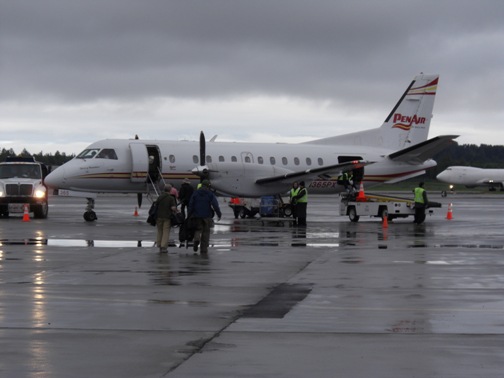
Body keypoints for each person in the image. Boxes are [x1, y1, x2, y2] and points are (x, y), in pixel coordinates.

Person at [188, 180, 222, 254]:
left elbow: (191, 204)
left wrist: (189, 214)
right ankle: (203, 249)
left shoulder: (195, 193)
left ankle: (196, 239)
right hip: (207, 216)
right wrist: (219, 214)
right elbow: (215, 205)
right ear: (208, 186)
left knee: (197, 229)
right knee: (206, 232)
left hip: (196, 215)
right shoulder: (210, 194)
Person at [155, 184, 177, 252]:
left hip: (159, 216)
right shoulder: (171, 198)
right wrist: (176, 210)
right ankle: (163, 246)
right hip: (167, 217)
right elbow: (173, 208)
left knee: (160, 231)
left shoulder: (160, 197)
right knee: (166, 232)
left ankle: (159, 245)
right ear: (170, 190)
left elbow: (156, 205)